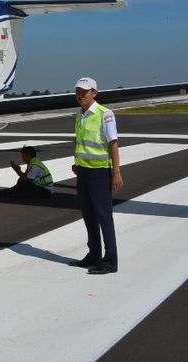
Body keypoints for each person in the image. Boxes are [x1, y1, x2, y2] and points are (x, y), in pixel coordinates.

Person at [68, 77, 123, 275]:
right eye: (78, 92)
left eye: (84, 92)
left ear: (94, 93)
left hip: (100, 172)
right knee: (88, 215)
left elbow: (113, 144)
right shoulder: (79, 115)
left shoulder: (104, 114)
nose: (80, 96)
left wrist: (116, 171)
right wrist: (77, 163)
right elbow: (80, 141)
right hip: (83, 171)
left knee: (104, 216)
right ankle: (94, 255)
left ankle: (110, 261)